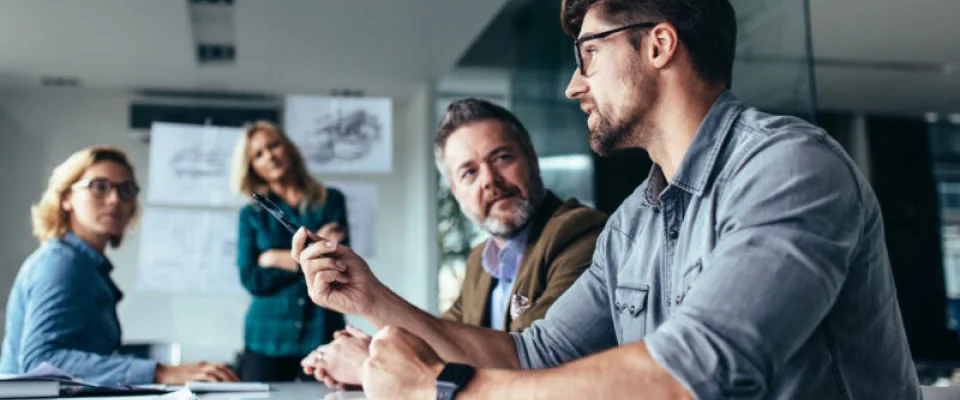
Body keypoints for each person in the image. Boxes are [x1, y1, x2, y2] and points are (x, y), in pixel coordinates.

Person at [291, 0, 922, 398]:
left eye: (589, 54)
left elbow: (696, 373)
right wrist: (369, 298)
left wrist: (443, 388)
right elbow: (530, 355)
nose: (573, 85)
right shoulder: (633, 225)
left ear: (658, 44)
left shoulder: (789, 167)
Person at [299, 99, 608, 388]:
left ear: (532, 158)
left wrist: (370, 364)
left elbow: (530, 365)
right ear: (456, 192)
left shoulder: (580, 234)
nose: (489, 180)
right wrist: (375, 348)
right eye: (469, 172)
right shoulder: (480, 261)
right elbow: (442, 342)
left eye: (501, 158)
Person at [0, 145, 238, 385]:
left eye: (126, 190)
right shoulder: (61, 263)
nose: (115, 199)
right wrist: (160, 372)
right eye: (99, 187)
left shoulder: (88, 267)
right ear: (66, 198)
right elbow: (41, 362)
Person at [232, 120, 348, 382]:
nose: (269, 156)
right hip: (267, 338)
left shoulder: (331, 201)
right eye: (258, 154)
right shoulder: (251, 215)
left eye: (273, 146)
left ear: (288, 148)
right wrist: (307, 259)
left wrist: (274, 258)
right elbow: (251, 278)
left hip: (321, 331)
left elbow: (336, 265)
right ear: (251, 167)